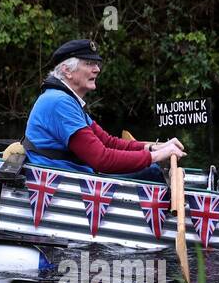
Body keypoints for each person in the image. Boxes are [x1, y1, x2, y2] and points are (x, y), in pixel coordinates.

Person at [24, 39, 186, 181]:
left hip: (72, 174)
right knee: (152, 172)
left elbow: (108, 142)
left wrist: (153, 147)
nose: (97, 69)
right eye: (89, 64)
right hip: (63, 181)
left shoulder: (66, 99)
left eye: (96, 64)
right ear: (67, 71)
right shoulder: (60, 102)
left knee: (150, 167)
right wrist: (156, 157)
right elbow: (101, 159)